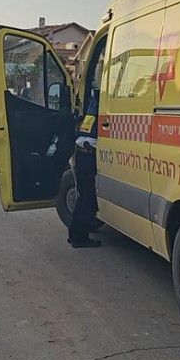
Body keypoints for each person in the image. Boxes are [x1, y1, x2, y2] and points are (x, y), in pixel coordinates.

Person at [68, 87, 102, 248]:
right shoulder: (99, 106)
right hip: (88, 155)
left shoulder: (91, 106)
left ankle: (76, 235)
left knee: (85, 198)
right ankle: (78, 238)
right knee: (87, 199)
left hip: (82, 154)